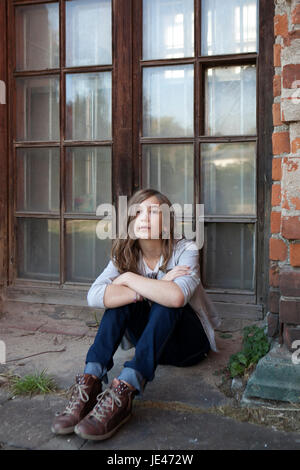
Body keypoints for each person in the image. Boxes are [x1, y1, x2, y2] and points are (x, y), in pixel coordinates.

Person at [51, 188, 221, 441]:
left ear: (167, 221)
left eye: (153, 212)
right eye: (138, 212)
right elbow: (94, 296)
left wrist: (129, 279)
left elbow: (175, 297)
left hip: (188, 346)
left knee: (166, 300)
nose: (144, 218)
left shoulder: (186, 249)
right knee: (124, 301)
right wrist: (151, 285)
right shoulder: (124, 254)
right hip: (152, 346)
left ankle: (125, 390)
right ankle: (91, 380)